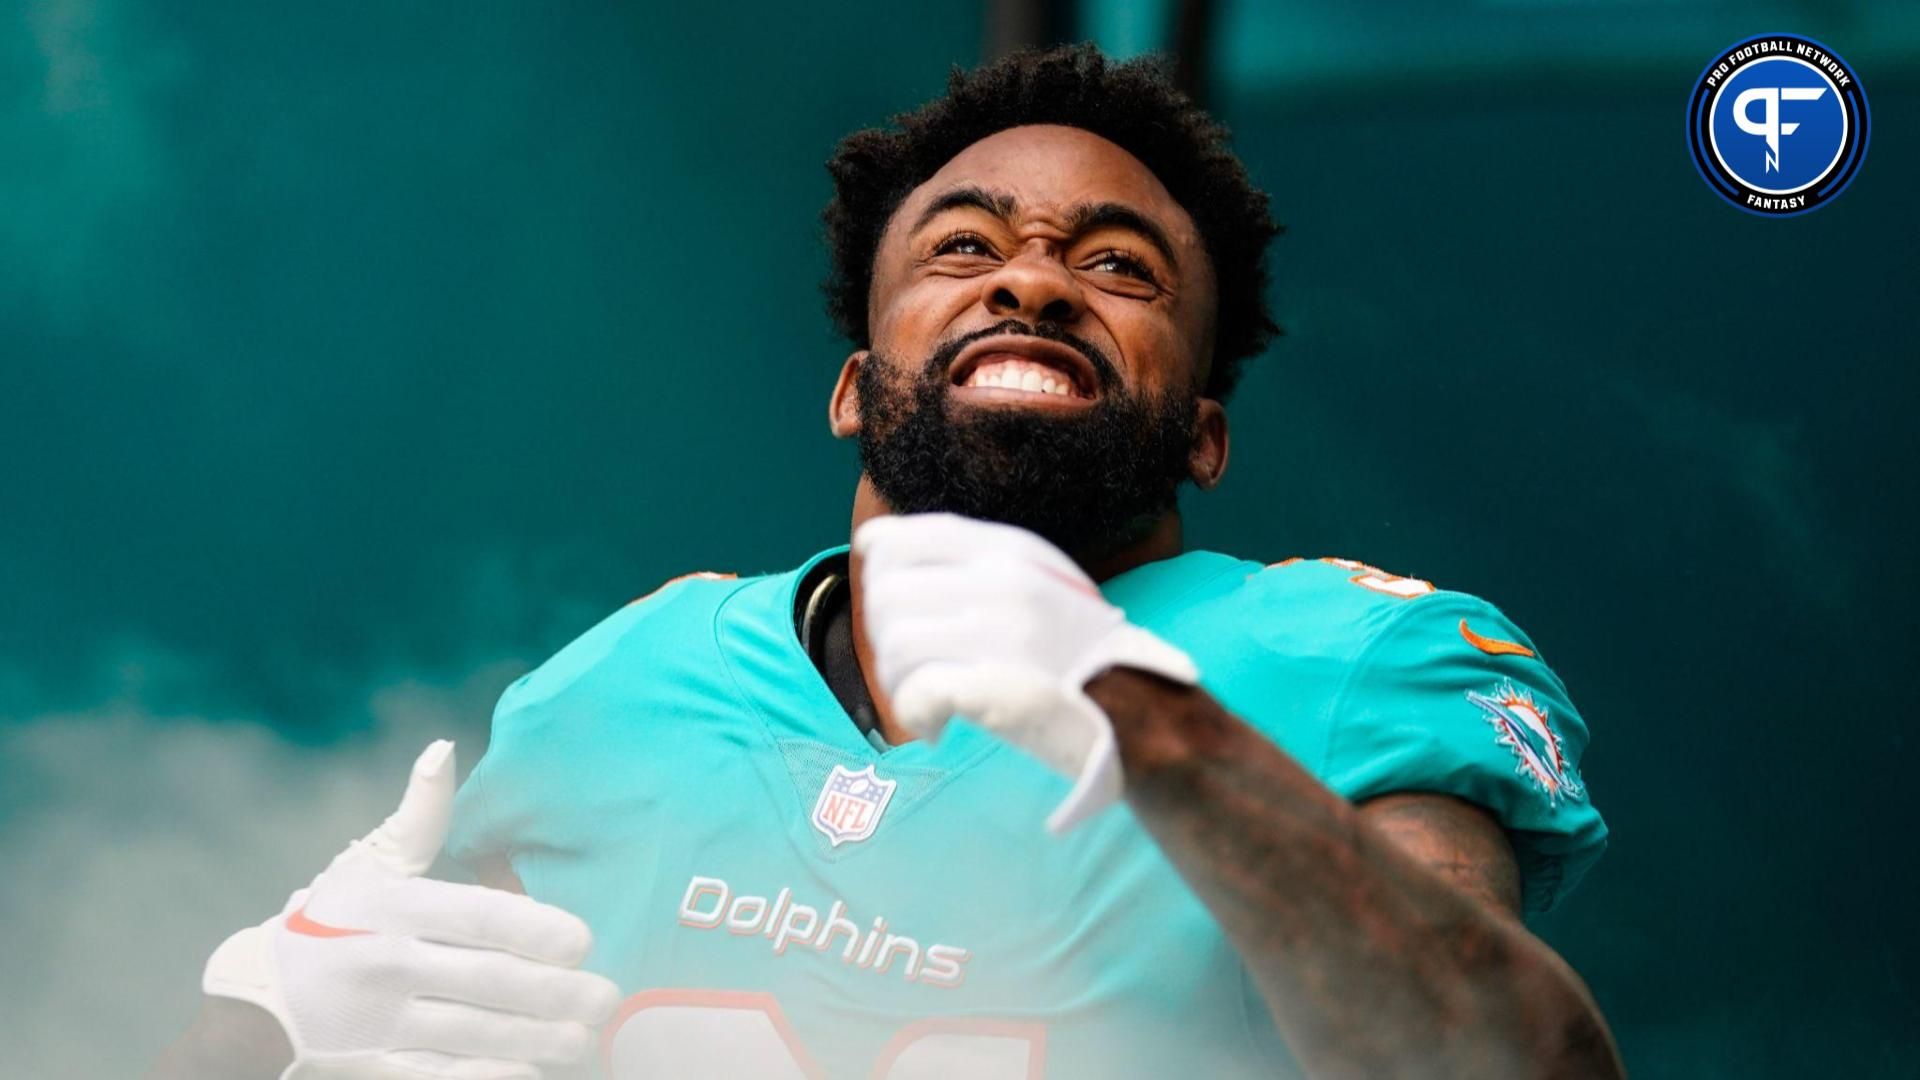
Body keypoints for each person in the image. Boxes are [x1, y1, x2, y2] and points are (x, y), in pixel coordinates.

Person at [152, 44, 1620, 1079]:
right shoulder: (634, 676)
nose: (1034, 278)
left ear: (1206, 437)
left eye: (1120, 268)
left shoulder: (1348, 659)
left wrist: (1161, 733)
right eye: (962, 247)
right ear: (857, 387)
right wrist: (258, 1024)